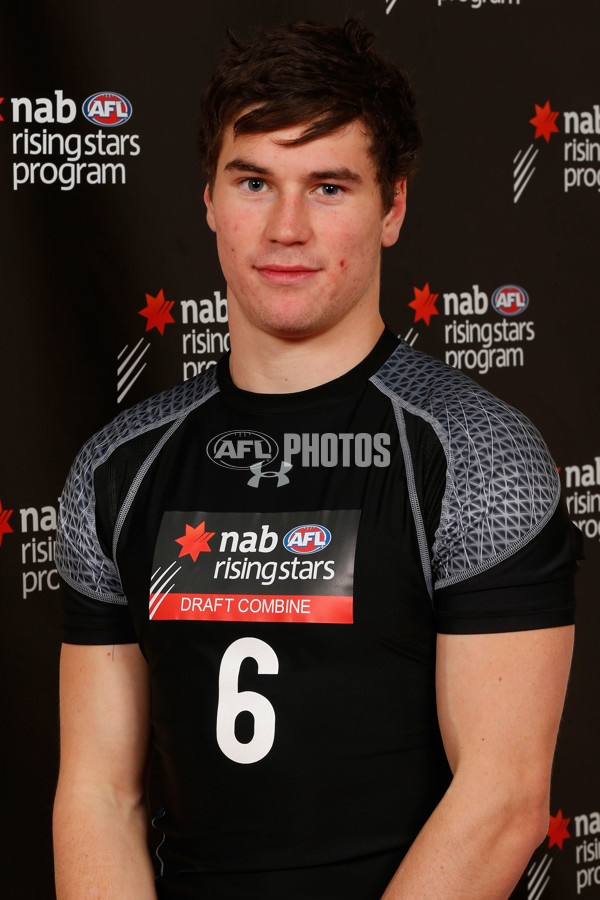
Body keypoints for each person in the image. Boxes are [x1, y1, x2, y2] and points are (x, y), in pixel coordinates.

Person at [53, 19, 581, 900]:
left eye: (329, 186)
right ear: (210, 200)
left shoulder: (477, 456)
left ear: (394, 207)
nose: (286, 227)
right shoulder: (119, 466)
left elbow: (503, 800)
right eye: (254, 181)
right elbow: (98, 792)